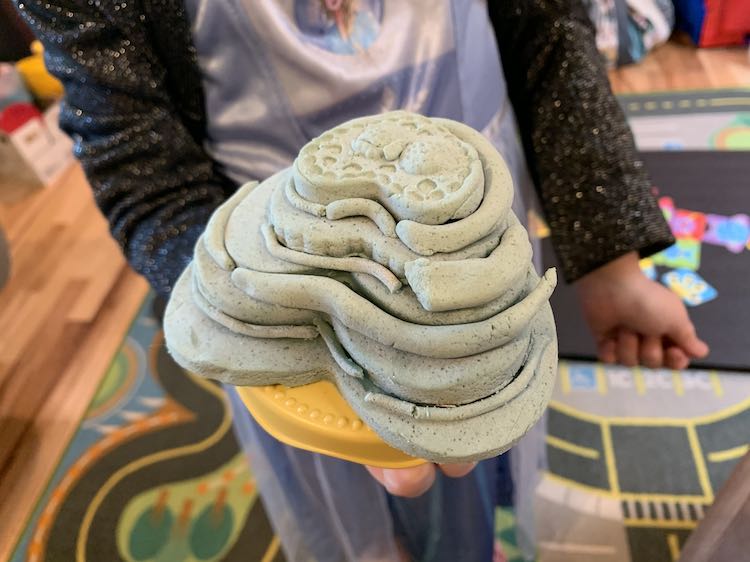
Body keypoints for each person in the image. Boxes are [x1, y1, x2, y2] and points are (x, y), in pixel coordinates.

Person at [16, 0, 709, 560]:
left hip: (469, 237)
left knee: (474, 454)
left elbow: (548, 27)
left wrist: (611, 256)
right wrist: (246, 316)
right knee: (354, 517)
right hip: (276, 279)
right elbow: (138, 165)